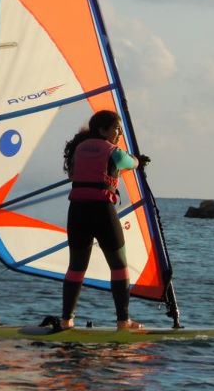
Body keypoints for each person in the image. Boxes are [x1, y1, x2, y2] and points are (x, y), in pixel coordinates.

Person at [60, 109, 149, 330]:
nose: (119, 133)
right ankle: (123, 321)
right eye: (116, 129)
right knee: (119, 267)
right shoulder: (113, 151)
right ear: (102, 130)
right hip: (101, 212)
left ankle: (66, 320)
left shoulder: (77, 149)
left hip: (77, 212)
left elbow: (73, 174)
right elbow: (129, 163)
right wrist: (139, 161)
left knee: (76, 267)